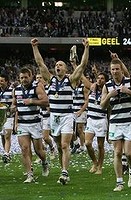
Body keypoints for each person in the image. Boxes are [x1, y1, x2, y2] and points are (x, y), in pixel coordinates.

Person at [31, 38, 89, 185]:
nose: (57, 66)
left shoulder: (72, 80)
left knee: (64, 145)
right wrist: (35, 47)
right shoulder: (50, 80)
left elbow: (82, 66)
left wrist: (86, 48)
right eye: (56, 65)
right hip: (54, 117)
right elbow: (40, 64)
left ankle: (64, 172)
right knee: (58, 146)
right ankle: (63, 170)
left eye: (61, 65)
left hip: (67, 116)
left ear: (65, 69)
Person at [100, 58, 131, 192]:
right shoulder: (107, 86)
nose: (114, 72)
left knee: (129, 153)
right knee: (117, 152)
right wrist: (109, 96)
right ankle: (119, 182)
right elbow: (102, 106)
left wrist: (129, 92)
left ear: (121, 70)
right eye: (112, 69)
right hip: (115, 122)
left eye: (117, 69)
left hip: (129, 121)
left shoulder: (130, 82)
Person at [12, 67, 49, 183]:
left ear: (31, 77)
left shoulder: (37, 88)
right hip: (22, 123)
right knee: (24, 149)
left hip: (35, 123)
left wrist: (32, 101)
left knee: (39, 150)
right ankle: (30, 175)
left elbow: (46, 102)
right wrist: (13, 109)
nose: (24, 80)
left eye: (26, 77)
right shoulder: (16, 90)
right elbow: (14, 105)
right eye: (21, 78)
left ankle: (44, 162)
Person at [82, 72, 109, 175]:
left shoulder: (107, 92)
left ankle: (100, 167)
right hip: (91, 119)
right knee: (87, 143)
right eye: (98, 78)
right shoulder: (92, 89)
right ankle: (94, 162)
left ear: (105, 81)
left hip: (101, 119)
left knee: (100, 145)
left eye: (102, 78)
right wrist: (75, 65)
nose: (99, 80)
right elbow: (82, 77)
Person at [70, 46, 89, 154]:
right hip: (72, 111)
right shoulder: (71, 87)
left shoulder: (83, 87)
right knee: (72, 131)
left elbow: (87, 100)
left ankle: (82, 146)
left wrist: (82, 110)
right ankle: (76, 144)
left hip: (81, 110)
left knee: (80, 129)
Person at [36, 73, 56, 160]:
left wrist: (49, 106)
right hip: (39, 115)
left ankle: (52, 147)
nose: (39, 79)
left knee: (45, 137)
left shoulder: (50, 88)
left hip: (48, 115)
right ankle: (41, 154)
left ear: (45, 79)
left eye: (40, 77)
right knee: (38, 137)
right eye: (37, 78)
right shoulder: (35, 89)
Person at [0, 73, 14, 163]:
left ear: (6, 82)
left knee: (7, 135)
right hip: (1, 118)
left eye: (1, 81)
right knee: (2, 136)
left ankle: (6, 153)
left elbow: (14, 103)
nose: (0, 82)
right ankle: (6, 153)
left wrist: (10, 108)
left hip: (9, 116)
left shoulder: (12, 91)